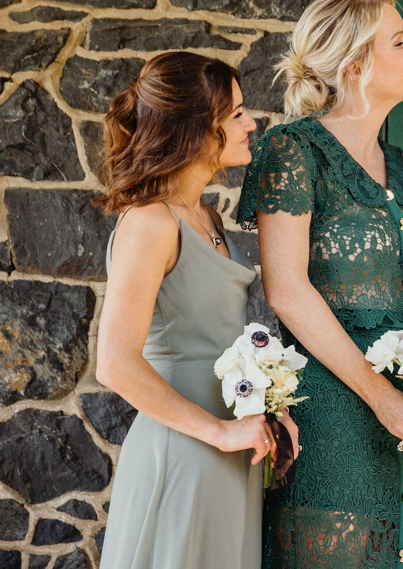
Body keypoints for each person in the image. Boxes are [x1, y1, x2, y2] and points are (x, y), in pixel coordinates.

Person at [237, 0, 403, 569]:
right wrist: (381, 396)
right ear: (355, 65)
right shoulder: (294, 150)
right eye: (400, 41)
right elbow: (286, 289)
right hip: (333, 409)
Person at [97, 51, 285, 569]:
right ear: (195, 129)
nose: (251, 123)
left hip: (228, 454)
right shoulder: (151, 223)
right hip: (184, 450)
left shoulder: (205, 216)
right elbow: (114, 363)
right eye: (237, 114)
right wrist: (219, 431)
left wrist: (265, 408)